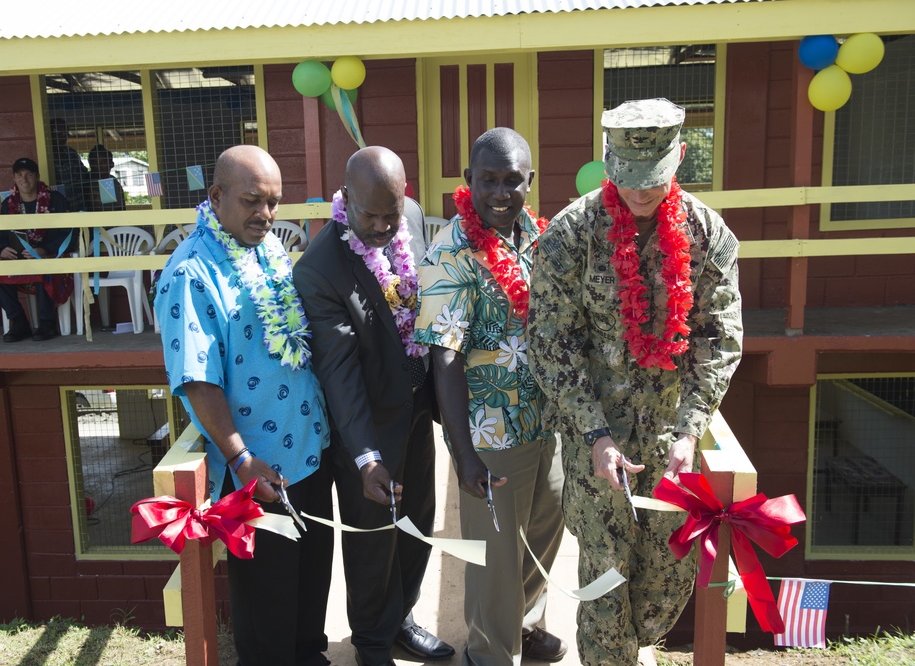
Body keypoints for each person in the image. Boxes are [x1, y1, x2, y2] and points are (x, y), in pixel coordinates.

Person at [527, 98, 743, 666]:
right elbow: (551, 343)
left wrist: (689, 432)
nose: (640, 193)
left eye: (653, 180)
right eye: (628, 180)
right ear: (606, 161)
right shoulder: (571, 235)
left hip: (672, 442)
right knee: (606, 585)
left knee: (660, 593)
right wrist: (594, 434)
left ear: (680, 159)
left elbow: (718, 341)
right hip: (595, 443)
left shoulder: (707, 235)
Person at [154, 145, 334, 666]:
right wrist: (239, 459)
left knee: (311, 579)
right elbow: (197, 379)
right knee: (267, 600)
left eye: (274, 203)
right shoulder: (190, 273)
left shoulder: (269, 248)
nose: (266, 215)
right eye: (253, 200)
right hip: (255, 470)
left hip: (309, 450)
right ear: (216, 196)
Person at [293, 146, 454, 666]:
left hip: (413, 410)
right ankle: (371, 641)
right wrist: (365, 456)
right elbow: (338, 373)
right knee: (372, 537)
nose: (386, 225)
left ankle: (400, 619)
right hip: (364, 424)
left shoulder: (405, 216)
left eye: (393, 211)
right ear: (346, 199)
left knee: (418, 520)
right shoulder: (320, 269)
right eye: (371, 215)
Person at [413, 128, 567, 666]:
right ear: (468, 182)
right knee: (497, 557)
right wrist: (464, 452)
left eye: (512, 181)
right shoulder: (450, 252)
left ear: (530, 182)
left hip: (547, 418)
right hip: (491, 429)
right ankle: (490, 654)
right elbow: (445, 357)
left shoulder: (539, 237)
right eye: (488, 180)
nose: (501, 193)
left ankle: (522, 627)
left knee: (545, 533)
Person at [0, 157, 74, 342]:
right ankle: (19, 322)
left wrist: (44, 250)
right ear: (14, 178)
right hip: (20, 258)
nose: (24, 180)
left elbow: (69, 234)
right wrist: (2, 249)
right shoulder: (8, 204)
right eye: (19, 175)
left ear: (37, 177)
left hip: (50, 256)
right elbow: (2, 237)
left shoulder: (55, 200)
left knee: (43, 269)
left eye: (29, 175)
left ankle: (46, 323)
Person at [49, 118, 89, 212]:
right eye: (60, 133)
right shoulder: (44, 156)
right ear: (50, 134)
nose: (64, 137)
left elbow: (83, 175)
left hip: (77, 205)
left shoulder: (71, 154)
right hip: (56, 208)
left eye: (66, 134)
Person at [85, 144, 126, 212]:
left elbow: (117, 210)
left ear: (111, 164)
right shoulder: (85, 181)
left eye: (103, 162)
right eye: (95, 162)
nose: (98, 166)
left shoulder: (110, 183)